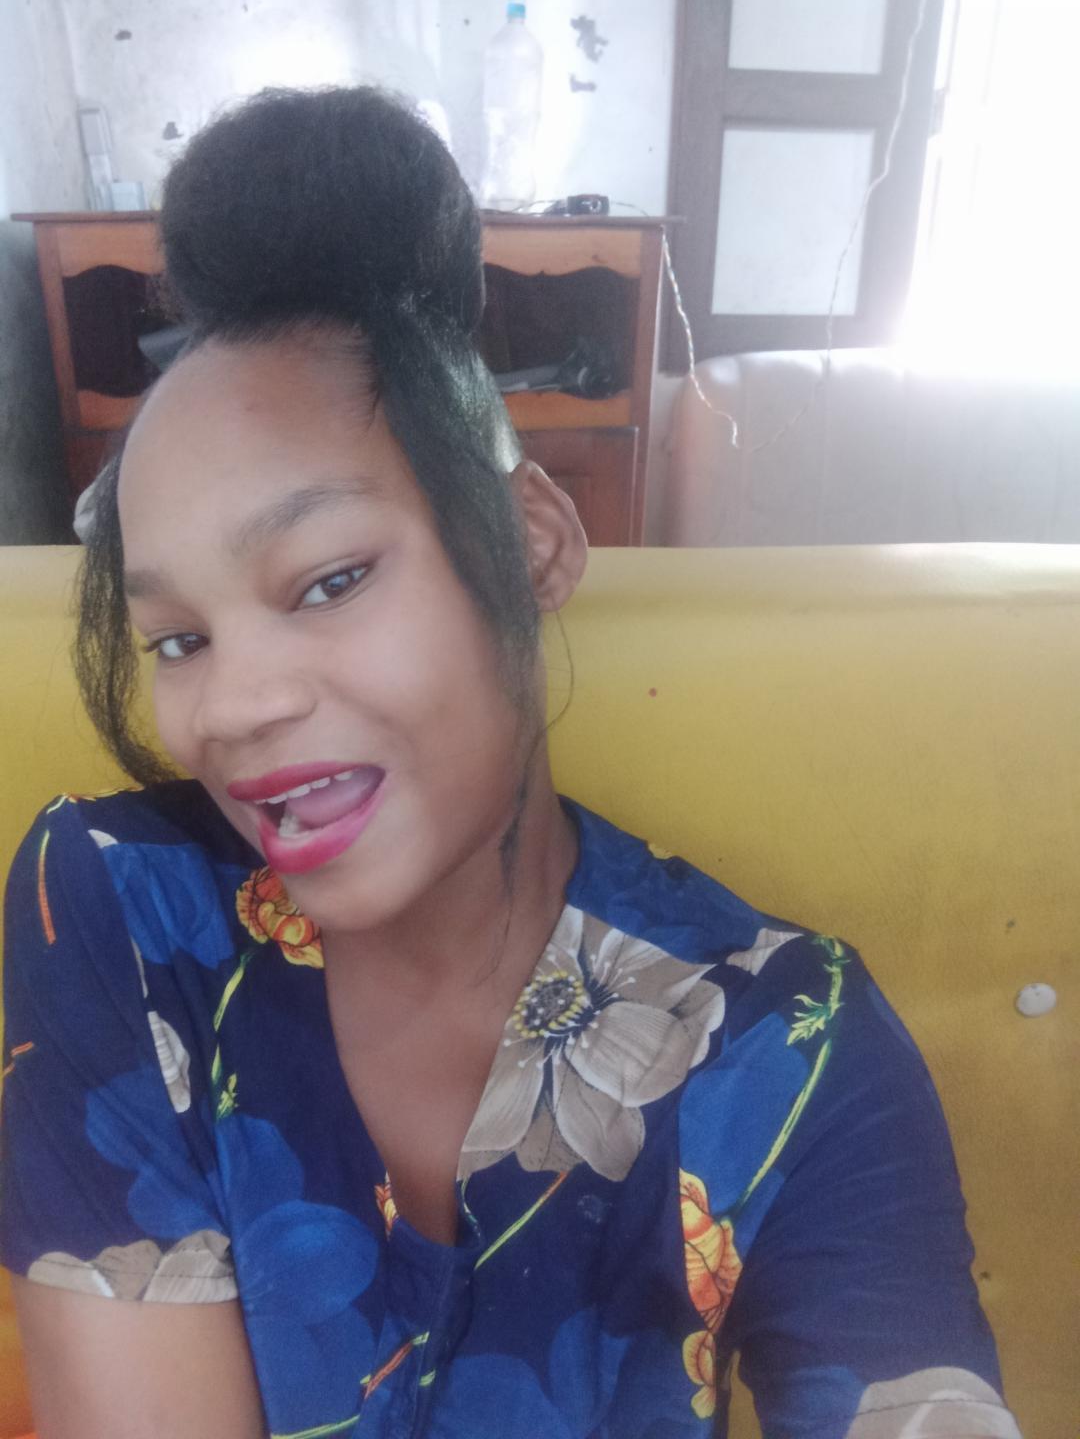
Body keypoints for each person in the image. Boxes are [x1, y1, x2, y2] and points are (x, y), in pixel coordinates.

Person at [0, 87, 1022, 1439]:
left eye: (330, 580)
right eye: (178, 639)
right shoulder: (123, 915)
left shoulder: (791, 1047)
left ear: (533, 541)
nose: (232, 708)